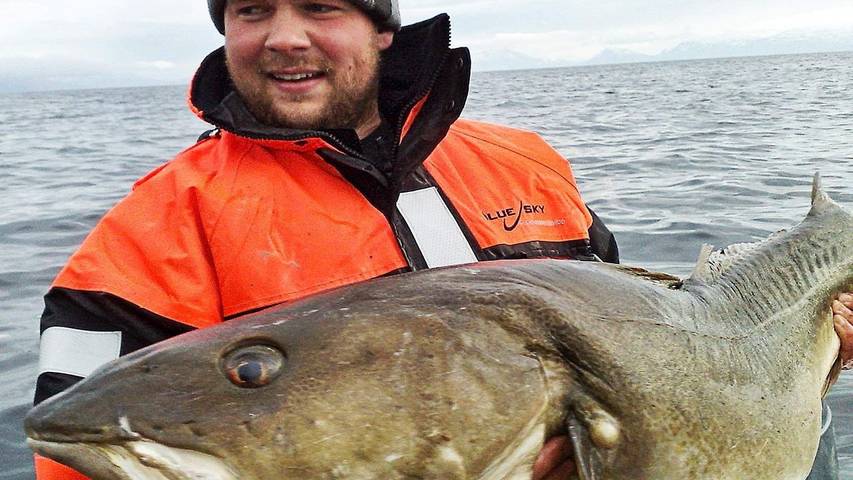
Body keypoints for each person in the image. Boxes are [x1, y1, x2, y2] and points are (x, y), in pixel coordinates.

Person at [32, 1, 853, 479]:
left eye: (320, 3)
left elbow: (655, 320)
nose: (282, 35)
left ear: (380, 26)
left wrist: (822, 346)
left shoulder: (522, 160)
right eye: (251, 8)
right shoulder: (140, 239)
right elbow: (77, 453)